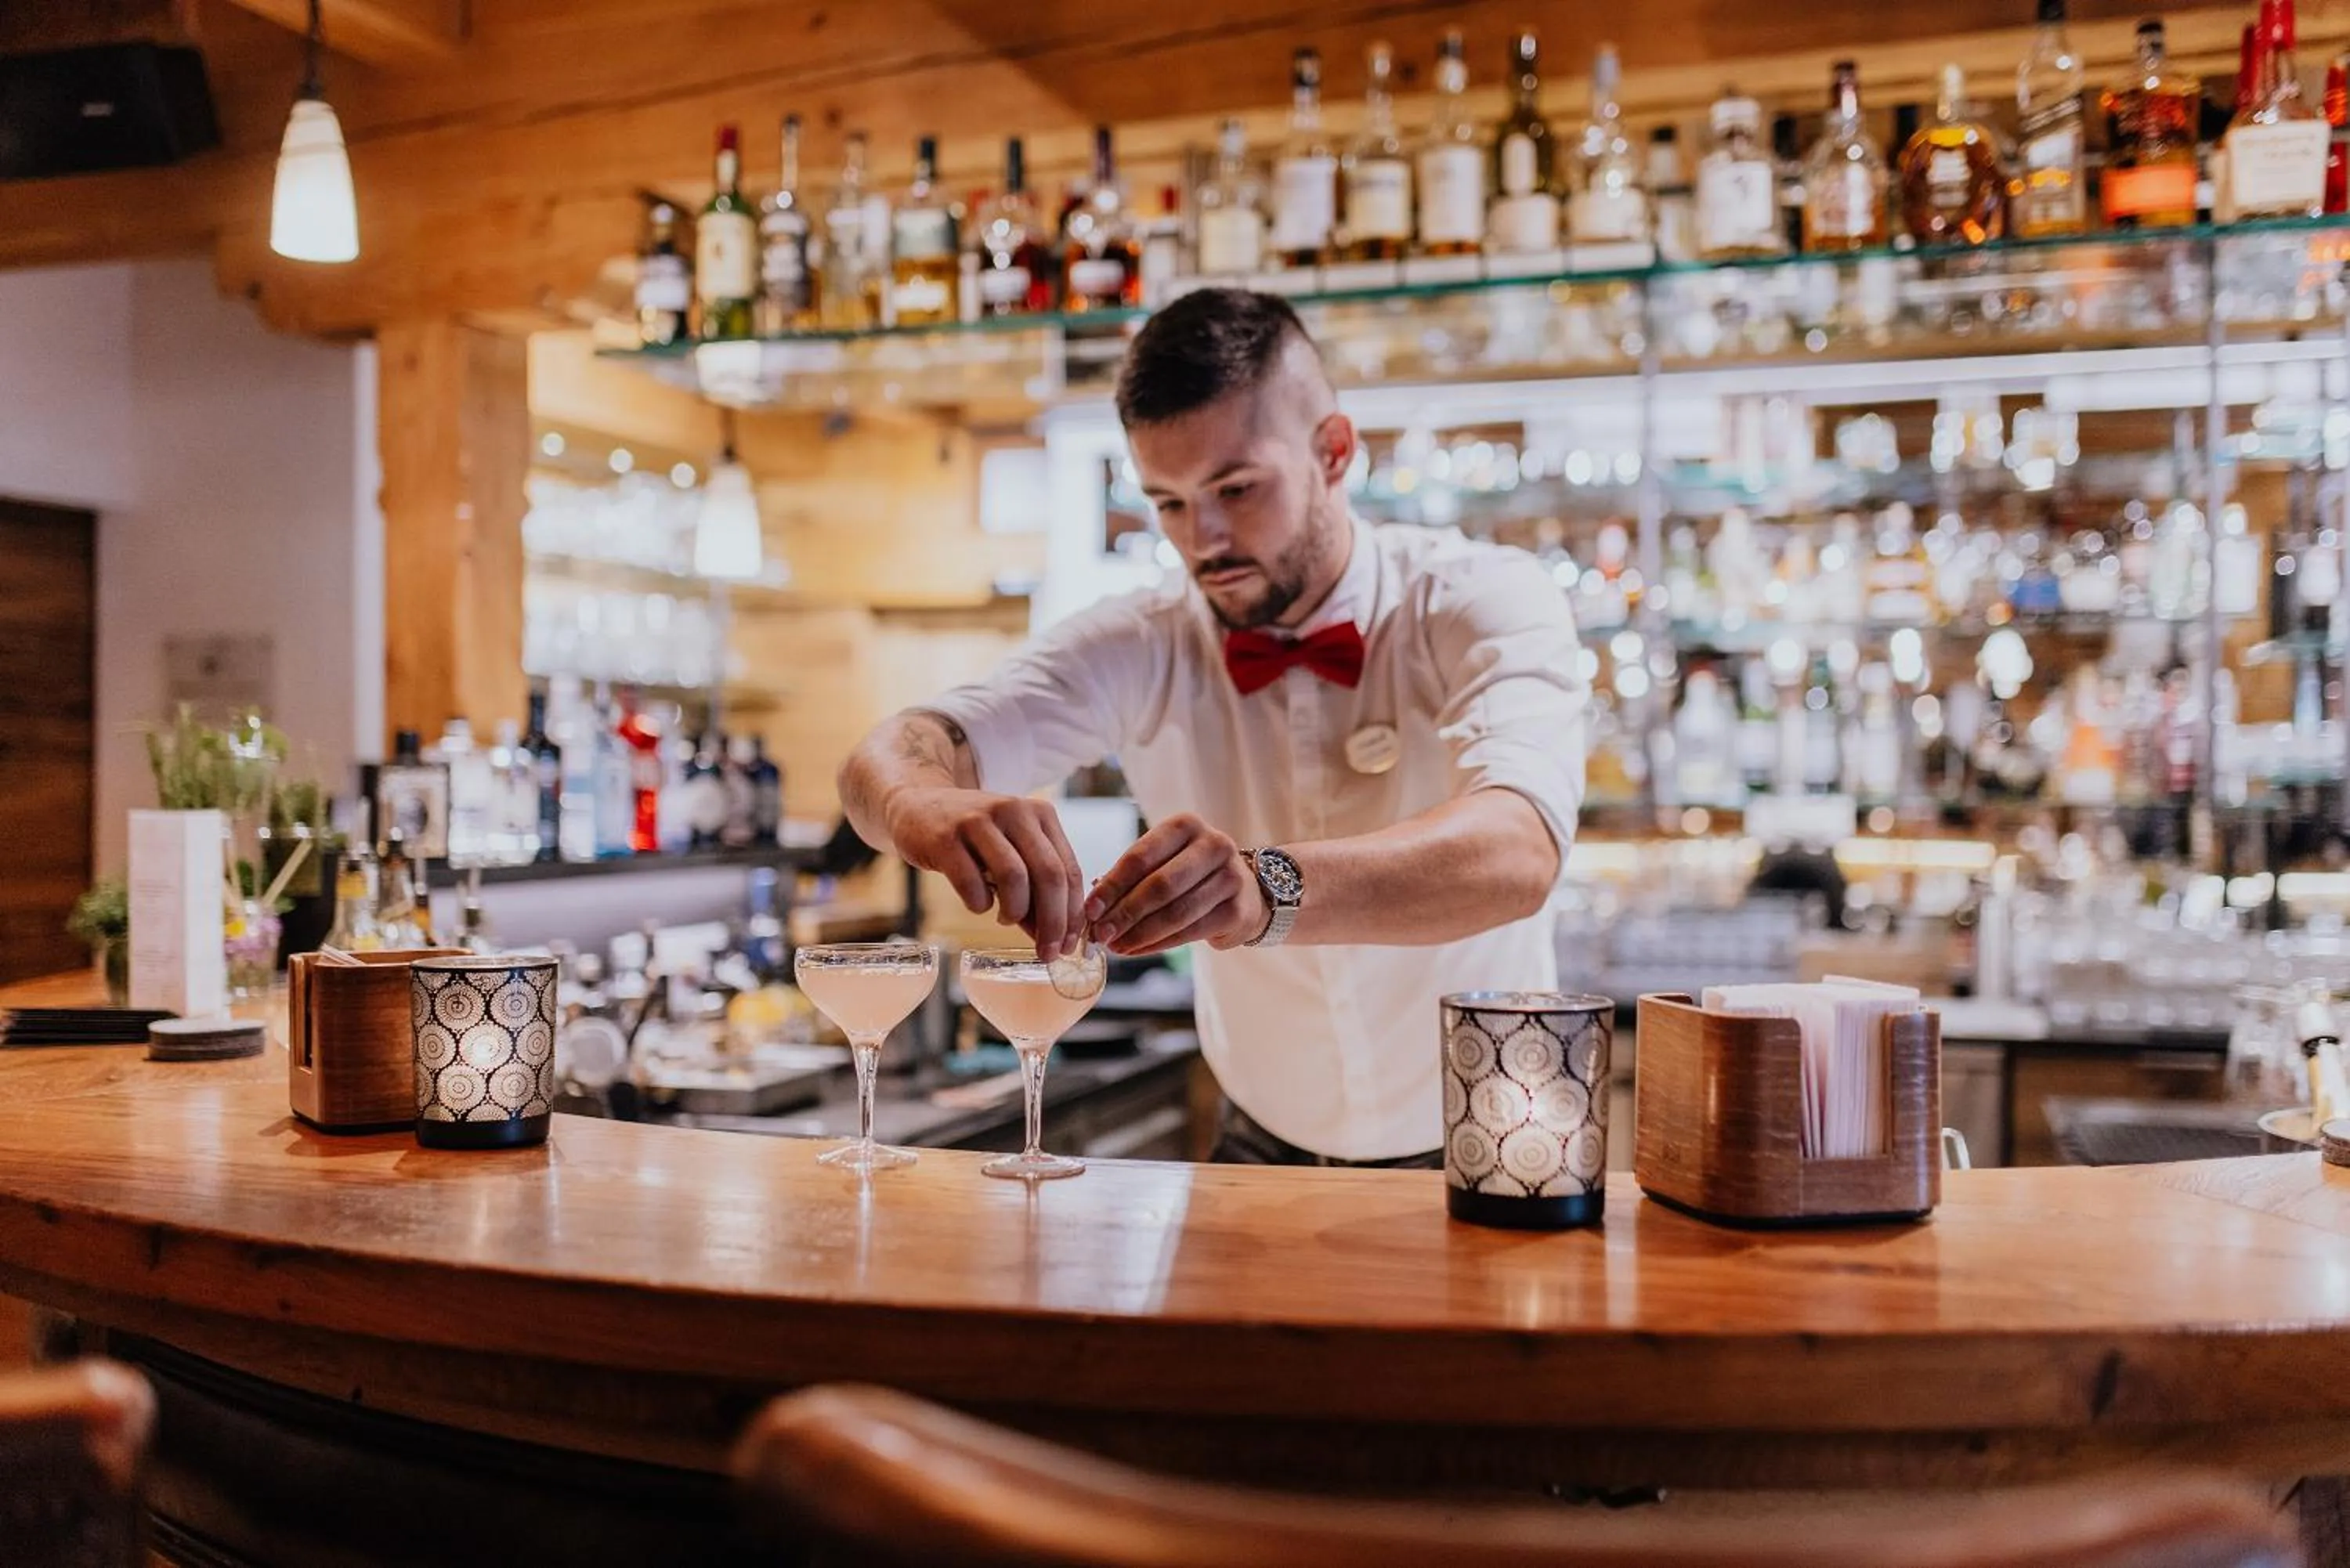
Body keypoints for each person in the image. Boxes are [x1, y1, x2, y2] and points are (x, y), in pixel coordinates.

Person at [838, 288, 1587, 1165]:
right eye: (1169, 502)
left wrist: (1265, 890)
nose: (1205, 539)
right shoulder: (1144, 640)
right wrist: (920, 803)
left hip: (1497, 1137)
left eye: (1236, 488)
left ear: (1333, 451)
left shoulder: (1477, 598)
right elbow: (890, 755)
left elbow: (1517, 853)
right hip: (1259, 1142)